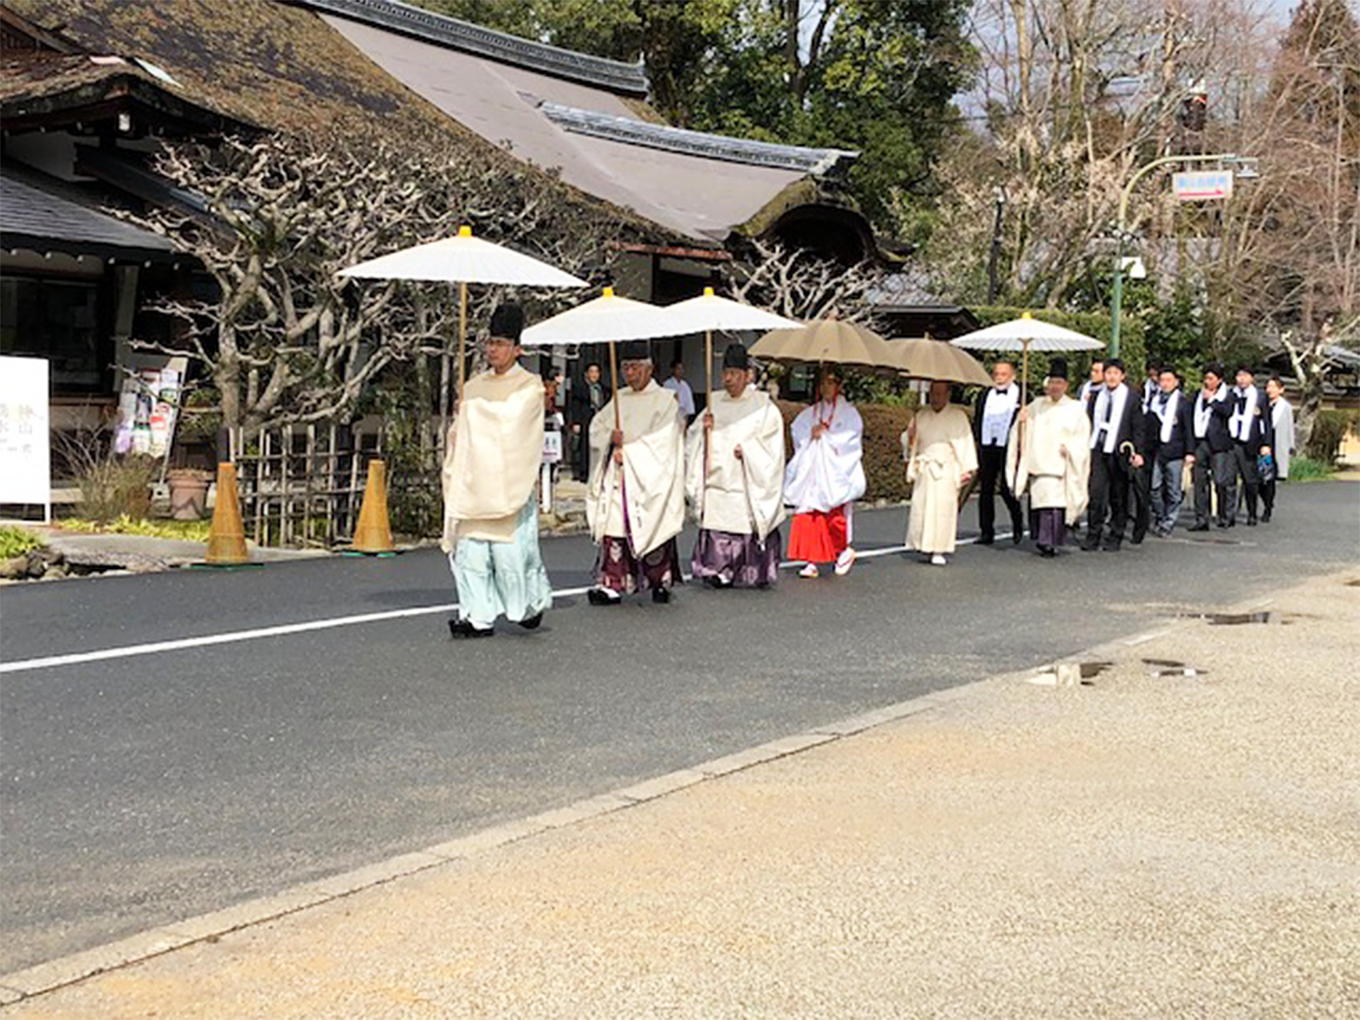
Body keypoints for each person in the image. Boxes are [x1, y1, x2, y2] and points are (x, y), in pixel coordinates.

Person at [440, 303, 552, 638]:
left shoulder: (530, 386)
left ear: (517, 349)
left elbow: (513, 425)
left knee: (511, 558)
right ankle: (477, 617)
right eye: (490, 342)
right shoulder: (473, 387)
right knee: (471, 554)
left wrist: (474, 413)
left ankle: (530, 604)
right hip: (476, 484)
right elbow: (461, 434)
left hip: (507, 484)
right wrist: (464, 415)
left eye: (501, 344)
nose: (493, 349)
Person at [585, 341, 685, 605]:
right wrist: (609, 439)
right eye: (626, 368)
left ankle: (659, 581)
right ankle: (612, 583)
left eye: (635, 367)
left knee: (654, 523)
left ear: (649, 368)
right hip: (618, 478)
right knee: (614, 526)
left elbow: (663, 442)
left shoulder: (665, 401)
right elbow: (597, 428)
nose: (629, 373)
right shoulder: (619, 398)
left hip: (648, 476)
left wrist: (627, 451)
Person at [685, 344, 785, 588]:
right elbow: (693, 438)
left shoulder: (764, 408)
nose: (728, 379)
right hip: (718, 481)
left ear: (748, 375)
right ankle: (718, 569)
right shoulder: (714, 402)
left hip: (744, 481)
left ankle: (749, 570)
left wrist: (750, 451)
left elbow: (773, 448)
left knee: (743, 527)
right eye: (725, 373)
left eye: (734, 374)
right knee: (718, 527)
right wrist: (702, 429)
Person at [784, 367, 866, 578]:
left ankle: (842, 550)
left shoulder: (849, 414)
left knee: (834, 515)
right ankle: (811, 559)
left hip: (833, 471)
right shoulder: (812, 412)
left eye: (830, 382)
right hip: (814, 471)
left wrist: (828, 438)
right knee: (809, 513)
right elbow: (798, 430)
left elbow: (850, 440)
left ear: (839, 385)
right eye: (823, 383)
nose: (826, 387)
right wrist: (811, 435)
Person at [1007, 358, 1091, 556]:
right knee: (1040, 502)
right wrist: (1022, 421)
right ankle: (1041, 539)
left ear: (1066, 386)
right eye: (1052, 382)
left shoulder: (1075, 409)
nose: (1055, 387)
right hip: (1039, 463)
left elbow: (1082, 437)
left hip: (1060, 464)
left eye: (1059, 383)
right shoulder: (1036, 405)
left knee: (1054, 506)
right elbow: (1022, 432)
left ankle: (1051, 541)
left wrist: (1071, 449)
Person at [902, 380, 977, 566]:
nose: (935, 398)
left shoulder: (957, 416)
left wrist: (966, 469)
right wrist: (909, 436)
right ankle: (922, 545)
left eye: (940, 393)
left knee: (942, 511)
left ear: (948, 394)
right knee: (922, 508)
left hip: (945, 468)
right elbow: (911, 443)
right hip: (925, 466)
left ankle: (939, 549)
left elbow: (965, 443)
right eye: (933, 393)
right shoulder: (922, 414)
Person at [1082, 358, 1146, 552]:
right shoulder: (1095, 396)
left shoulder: (1131, 397)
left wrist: (1139, 452)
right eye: (1108, 373)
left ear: (1122, 376)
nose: (1111, 377)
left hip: (1120, 451)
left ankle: (1115, 534)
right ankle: (1093, 534)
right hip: (1098, 447)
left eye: (1115, 374)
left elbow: (1138, 428)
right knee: (1096, 493)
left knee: (1118, 495)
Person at [972, 359, 1024, 545]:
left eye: (1004, 374)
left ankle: (1018, 523)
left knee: (1006, 488)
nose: (999, 378)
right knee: (985, 489)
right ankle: (986, 531)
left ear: (1013, 376)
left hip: (1009, 446)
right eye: (996, 374)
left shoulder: (1023, 395)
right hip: (987, 445)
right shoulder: (985, 393)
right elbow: (978, 416)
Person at [1146, 366, 1194, 537]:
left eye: (1168, 380)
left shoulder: (1183, 402)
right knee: (1153, 487)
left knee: (1174, 489)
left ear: (1176, 382)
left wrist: (1190, 452)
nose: (1165, 384)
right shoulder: (1154, 400)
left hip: (1175, 450)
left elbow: (1188, 428)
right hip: (1157, 449)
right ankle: (1160, 515)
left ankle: (1169, 521)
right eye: (1162, 380)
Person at [1188, 363, 1235, 531]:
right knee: (1199, 482)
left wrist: (1213, 400)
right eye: (1206, 378)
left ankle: (1225, 515)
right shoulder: (1197, 395)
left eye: (1211, 378)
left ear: (1219, 380)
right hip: (1200, 442)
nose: (1207, 382)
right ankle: (1202, 518)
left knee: (1221, 480)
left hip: (1219, 444)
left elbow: (1228, 412)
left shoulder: (1227, 395)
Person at [1228, 365, 1274, 526]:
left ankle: (1252, 512)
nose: (1241, 379)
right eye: (1239, 376)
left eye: (1245, 376)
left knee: (1250, 481)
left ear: (1251, 378)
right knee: (1230, 480)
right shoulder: (1230, 394)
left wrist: (1266, 444)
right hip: (1232, 442)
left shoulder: (1260, 397)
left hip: (1251, 443)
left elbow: (1267, 423)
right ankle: (1229, 514)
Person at [1262, 375, 1295, 522]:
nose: (1270, 390)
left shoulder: (1285, 407)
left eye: (1274, 387)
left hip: (1277, 446)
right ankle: (1266, 501)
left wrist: (1291, 446)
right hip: (1262, 445)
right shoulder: (1261, 404)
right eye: (1268, 386)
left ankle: (1268, 508)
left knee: (1270, 479)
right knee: (1257, 480)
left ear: (1281, 390)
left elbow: (1289, 428)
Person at [569, 362, 606, 482]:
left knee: (599, 446)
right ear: (586, 374)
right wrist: (576, 422)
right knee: (585, 446)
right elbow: (575, 406)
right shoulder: (580, 388)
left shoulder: (603, 388)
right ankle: (583, 473)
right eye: (592, 371)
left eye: (596, 372)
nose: (594, 374)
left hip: (599, 421)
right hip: (585, 419)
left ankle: (597, 471)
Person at [662, 358, 696, 422]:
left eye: (681, 369)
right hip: (670, 415)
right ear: (673, 370)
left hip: (682, 415)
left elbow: (689, 403)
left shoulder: (685, 385)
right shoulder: (667, 384)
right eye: (678, 369)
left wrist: (686, 417)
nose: (680, 371)